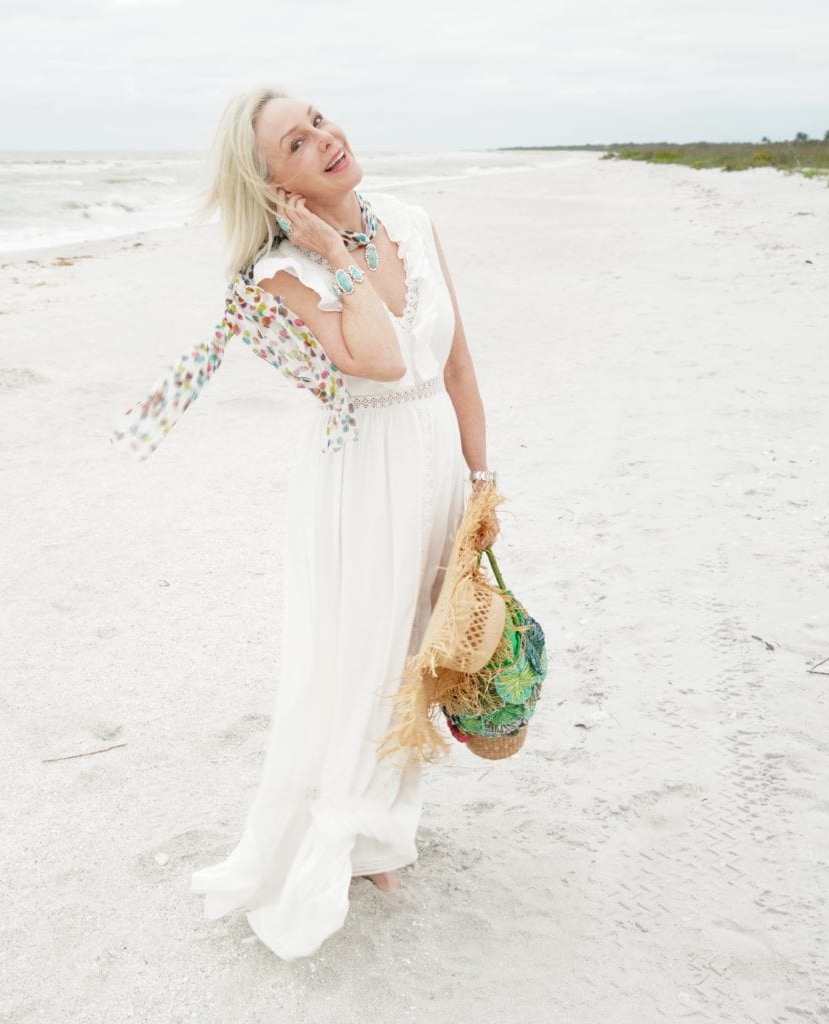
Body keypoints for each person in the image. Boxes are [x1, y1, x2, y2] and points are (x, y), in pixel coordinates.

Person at [179, 86, 498, 960]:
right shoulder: (282, 274)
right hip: (363, 477)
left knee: (418, 649)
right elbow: (386, 358)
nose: (324, 138)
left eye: (318, 119)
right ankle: (346, 833)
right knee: (361, 652)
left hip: (435, 457)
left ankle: (381, 825)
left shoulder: (413, 220)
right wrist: (330, 249)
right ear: (273, 184)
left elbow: (457, 363)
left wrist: (484, 480)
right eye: (295, 141)